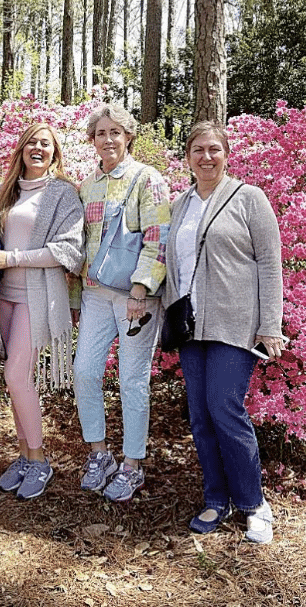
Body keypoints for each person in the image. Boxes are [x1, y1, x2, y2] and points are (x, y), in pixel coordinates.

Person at [162, 120, 284, 544]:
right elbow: (171, 264)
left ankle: (254, 504)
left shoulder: (249, 198)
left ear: (226, 154)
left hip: (236, 323)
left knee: (224, 408)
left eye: (214, 149)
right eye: (198, 150)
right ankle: (216, 497)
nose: (206, 157)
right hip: (192, 326)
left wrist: (271, 325)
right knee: (199, 416)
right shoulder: (180, 204)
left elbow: (270, 263)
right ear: (188, 157)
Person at [72, 103, 171, 503]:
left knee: (132, 380)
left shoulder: (148, 179)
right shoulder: (87, 184)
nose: (108, 140)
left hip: (135, 297)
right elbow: (82, 246)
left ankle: (132, 464)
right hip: (96, 293)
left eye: (115, 132)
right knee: (85, 372)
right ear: (93, 140)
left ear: (128, 136)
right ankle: (99, 454)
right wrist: (78, 297)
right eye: (101, 133)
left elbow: (158, 236)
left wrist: (141, 289)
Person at [0, 123, 84, 500]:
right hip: (2, 297)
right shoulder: (5, 190)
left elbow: (68, 250)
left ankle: (40, 460)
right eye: (32, 143)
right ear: (21, 149)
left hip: (37, 298)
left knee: (16, 374)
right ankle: (25, 455)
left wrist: (11, 258)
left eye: (46, 144)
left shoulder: (62, 194)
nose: (38, 149)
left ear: (55, 152)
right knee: (15, 381)